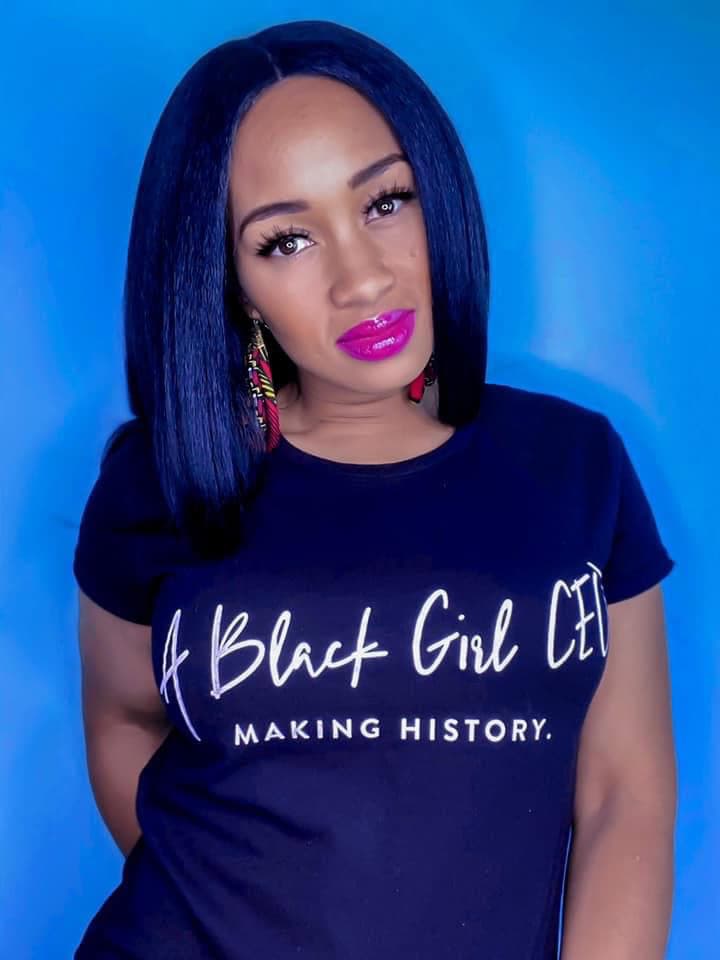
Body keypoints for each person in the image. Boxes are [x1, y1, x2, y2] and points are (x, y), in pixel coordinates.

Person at [72, 19, 677, 960]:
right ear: (230, 282)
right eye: (285, 242)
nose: (360, 277)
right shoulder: (161, 479)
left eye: (385, 202)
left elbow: (623, 798)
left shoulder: (574, 467)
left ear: (437, 195)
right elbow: (122, 716)